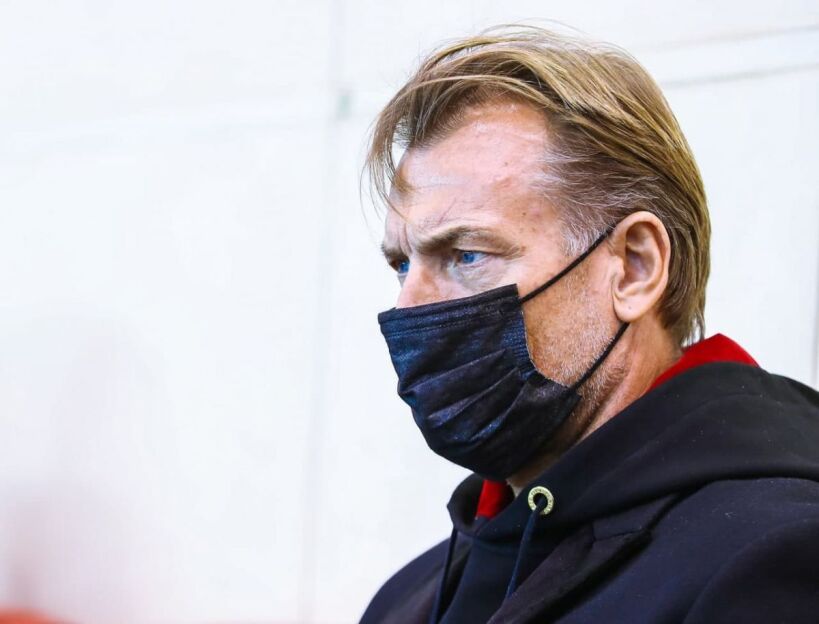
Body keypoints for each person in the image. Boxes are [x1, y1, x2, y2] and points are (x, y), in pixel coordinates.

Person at [358, 25, 819, 624]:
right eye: (402, 264)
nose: (409, 307)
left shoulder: (768, 564)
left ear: (634, 268)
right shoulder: (409, 598)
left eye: (466, 254)